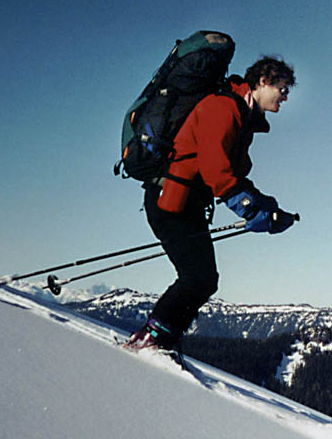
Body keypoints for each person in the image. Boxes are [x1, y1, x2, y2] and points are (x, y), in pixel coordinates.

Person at [125, 56, 298, 352]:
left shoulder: (242, 117)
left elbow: (234, 175)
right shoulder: (223, 107)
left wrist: (268, 208)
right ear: (263, 81)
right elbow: (215, 168)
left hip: (185, 202)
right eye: (282, 88)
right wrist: (248, 208)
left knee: (204, 279)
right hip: (169, 201)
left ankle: (160, 341)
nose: (285, 96)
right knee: (197, 278)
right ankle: (149, 341)